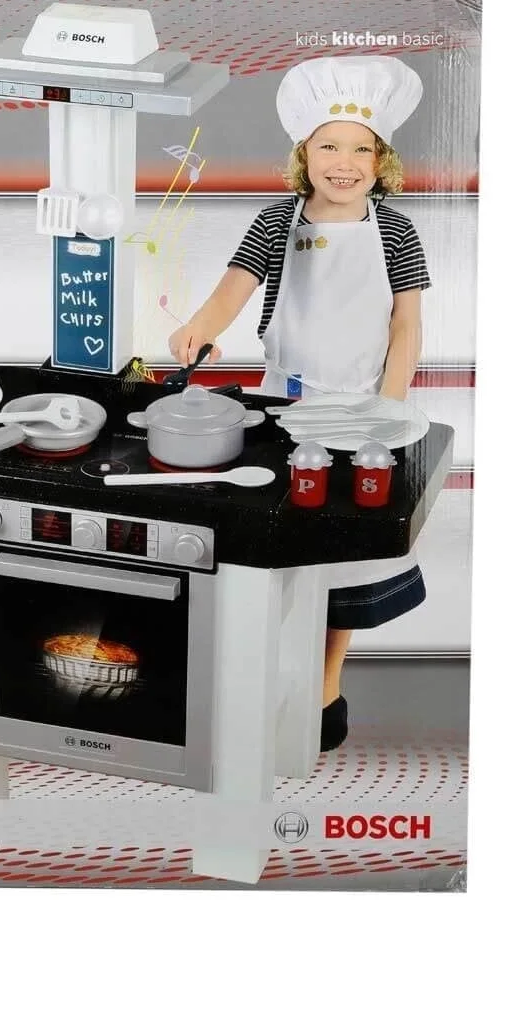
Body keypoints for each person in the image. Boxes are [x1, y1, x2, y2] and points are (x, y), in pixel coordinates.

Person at [167, 56, 431, 754]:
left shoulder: (396, 230)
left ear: (381, 161)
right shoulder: (275, 221)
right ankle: (260, 679)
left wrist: (388, 409)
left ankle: (323, 691)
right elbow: (233, 289)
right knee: (278, 544)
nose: (344, 163)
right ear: (303, 155)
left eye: (360, 150)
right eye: (328, 146)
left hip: (365, 411)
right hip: (287, 406)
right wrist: (198, 328)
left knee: (343, 559)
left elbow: (406, 324)